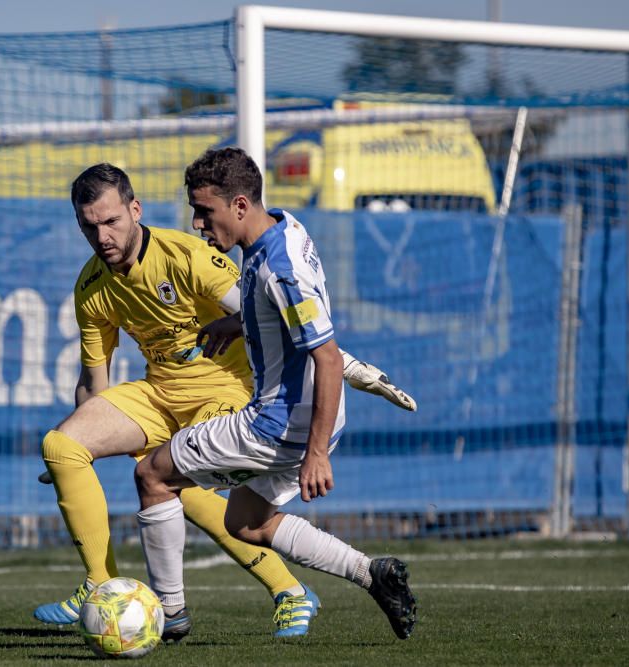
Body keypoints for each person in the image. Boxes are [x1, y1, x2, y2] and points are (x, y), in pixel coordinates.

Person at [34, 162, 416, 640]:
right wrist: (74, 452)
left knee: (158, 478)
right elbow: (96, 381)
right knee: (243, 520)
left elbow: (317, 342)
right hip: (176, 395)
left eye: (111, 221)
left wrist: (349, 381)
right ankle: (365, 574)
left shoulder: (207, 258)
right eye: (89, 227)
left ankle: (172, 613)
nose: (102, 235)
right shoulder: (276, 234)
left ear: (135, 210)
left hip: (249, 402)